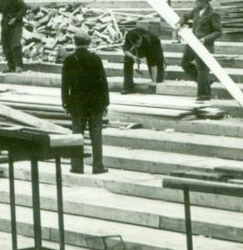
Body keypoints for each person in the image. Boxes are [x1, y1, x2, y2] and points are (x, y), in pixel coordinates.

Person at [60, 28, 110, 174]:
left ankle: (77, 166)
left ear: (74, 42)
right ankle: (97, 165)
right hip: (96, 102)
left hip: (76, 103)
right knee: (96, 134)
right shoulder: (95, 59)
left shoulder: (69, 60)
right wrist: (105, 102)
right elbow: (103, 82)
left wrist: (65, 102)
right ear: (88, 43)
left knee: (77, 134)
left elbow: (65, 84)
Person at [176, 0, 222, 102]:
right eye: (196, 0)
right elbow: (185, 16)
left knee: (202, 69)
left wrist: (205, 39)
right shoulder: (196, 10)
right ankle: (206, 82)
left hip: (204, 45)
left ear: (205, 2)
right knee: (184, 63)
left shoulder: (213, 14)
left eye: (199, 1)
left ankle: (204, 95)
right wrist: (180, 22)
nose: (197, 3)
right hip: (193, 42)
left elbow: (218, 32)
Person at [121, 21, 166, 94]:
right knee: (127, 59)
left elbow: (152, 62)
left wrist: (153, 81)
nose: (137, 46)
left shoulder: (150, 41)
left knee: (159, 78)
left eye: (138, 43)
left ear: (140, 38)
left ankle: (160, 72)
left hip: (155, 44)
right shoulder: (129, 36)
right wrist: (133, 56)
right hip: (139, 45)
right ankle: (127, 86)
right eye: (135, 44)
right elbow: (125, 50)